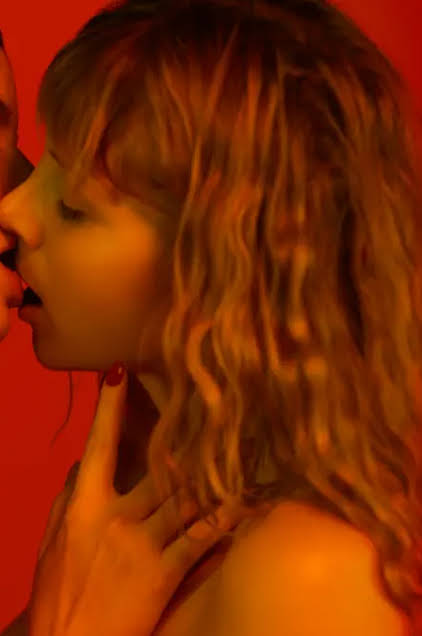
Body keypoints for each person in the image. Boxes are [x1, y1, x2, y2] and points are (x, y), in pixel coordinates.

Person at [1, 0, 422, 633]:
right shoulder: (120, 533)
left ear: (219, 272)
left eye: (74, 207)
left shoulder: (307, 575)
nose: (11, 209)